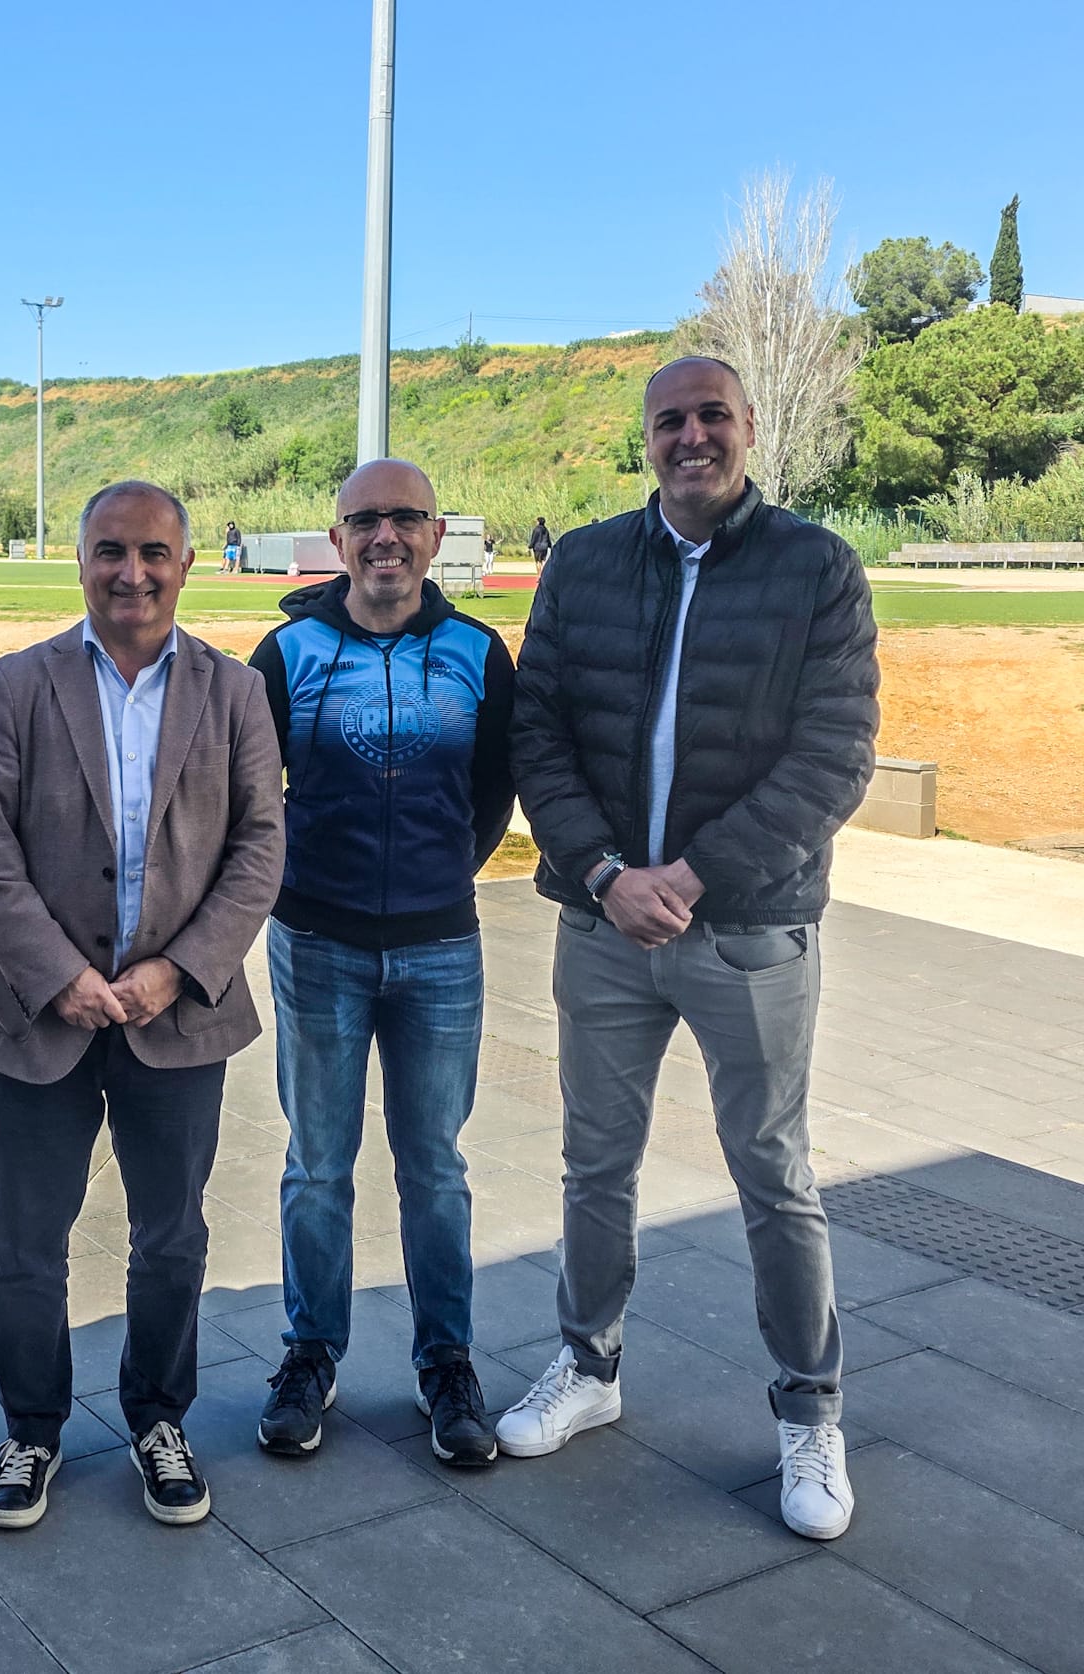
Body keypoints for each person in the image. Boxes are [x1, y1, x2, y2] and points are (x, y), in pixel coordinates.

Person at [502, 357, 880, 1541]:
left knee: (772, 1176)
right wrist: (609, 875)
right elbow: (538, 732)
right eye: (669, 420)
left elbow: (833, 754)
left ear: (746, 428)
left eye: (711, 415)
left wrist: (695, 873)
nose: (690, 436)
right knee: (591, 1167)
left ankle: (807, 1409)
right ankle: (589, 1365)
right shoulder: (584, 562)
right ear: (646, 439)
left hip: (750, 930)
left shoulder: (813, 567)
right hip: (604, 923)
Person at [0, 480, 284, 1531]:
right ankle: (31, 1428)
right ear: (80, 560)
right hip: (37, 1014)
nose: (130, 573)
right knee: (22, 1243)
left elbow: (257, 849)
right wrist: (59, 974)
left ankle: (157, 1416)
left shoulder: (233, 694)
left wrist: (175, 971)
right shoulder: (15, 684)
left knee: (170, 1239)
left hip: (176, 1018)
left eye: (152, 553)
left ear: (186, 565)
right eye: (109, 551)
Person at [246, 460, 515, 1467]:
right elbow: (248, 793)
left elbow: (492, 793)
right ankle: (309, 1353)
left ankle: (445, 1363)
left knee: (434, 1168)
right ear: (338, 537)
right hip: (315, 944)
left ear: (435, 534)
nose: (384, 537)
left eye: (404, 518)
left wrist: (440, 877)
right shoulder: (288, 651)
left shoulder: (477, 654)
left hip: (440, 949)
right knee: (316, 1165)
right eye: (364, 520)